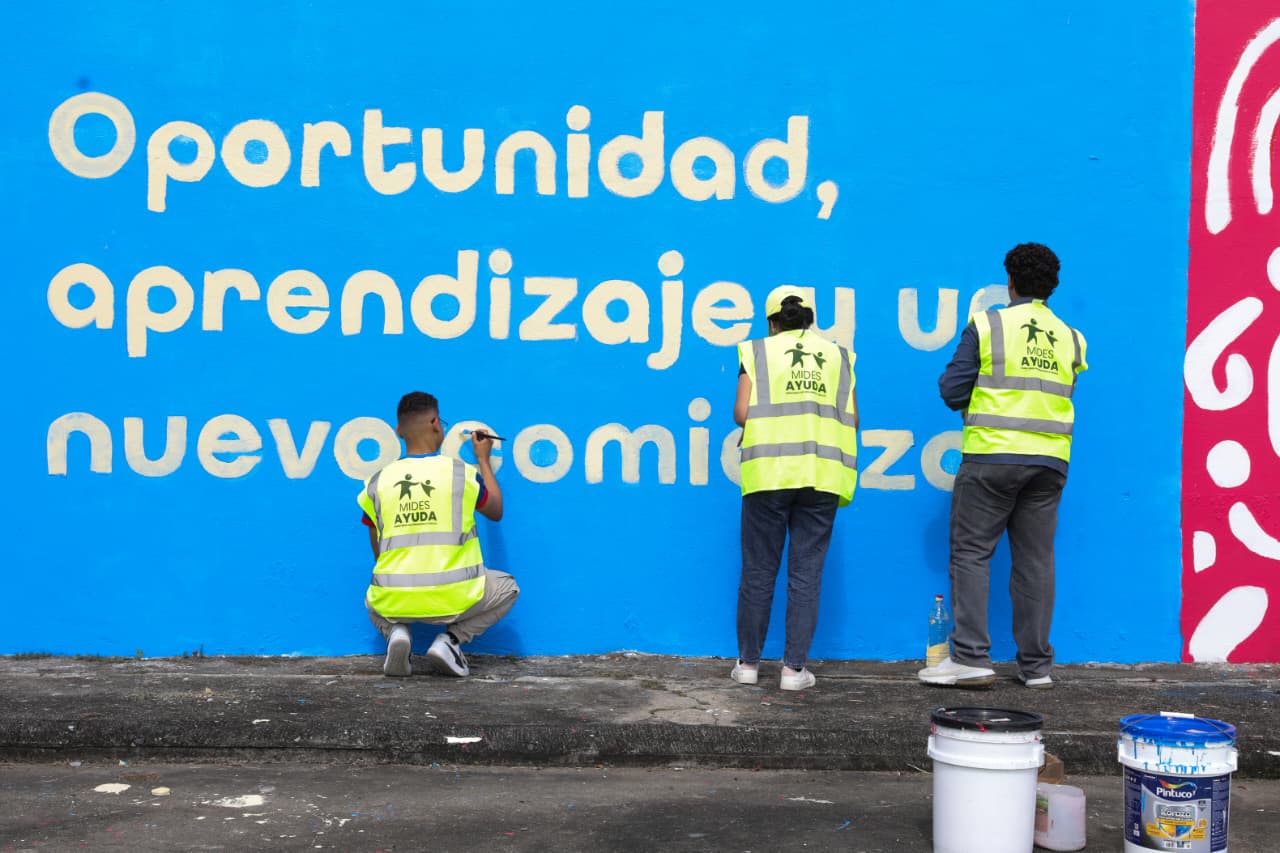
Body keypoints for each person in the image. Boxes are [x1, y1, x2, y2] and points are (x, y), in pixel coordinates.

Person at [918, 243, 1087, 689]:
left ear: (1009, 281)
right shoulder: (1071, 337)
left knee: (972, 553)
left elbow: (952, 390)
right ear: (1052, 286)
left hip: (993, 457)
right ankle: (1036, 669)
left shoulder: (988, 324)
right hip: (1050, 461)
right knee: (1036, 561)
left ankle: (971, 657)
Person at [731, 287, 859, 691]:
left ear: (771, 322)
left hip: (768, 474)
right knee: (806, 575)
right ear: (810, 320)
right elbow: (852, 419)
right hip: (821, 476)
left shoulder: (757, 352)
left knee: (758, 570)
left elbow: (740, 413)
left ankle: (748, 666)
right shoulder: (839, 356)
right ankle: (793, 671)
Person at [358, 391, 519, 678]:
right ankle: (450, 641)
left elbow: (378, 551)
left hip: (397, 598)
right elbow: (495, 510)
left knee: (373, 597)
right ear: (436, 423)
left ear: (398, 431)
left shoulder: (377, 481)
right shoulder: (460, 473)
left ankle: (396, 633)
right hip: (456, 598)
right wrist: (483, 459)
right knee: (508, 587)